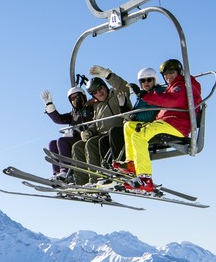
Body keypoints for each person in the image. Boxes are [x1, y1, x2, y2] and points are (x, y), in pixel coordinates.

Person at [116, 58, 203, 192]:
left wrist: (144, 95)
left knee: (139, 136)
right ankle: (131, 163)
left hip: (177, 125)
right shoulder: (173, 87)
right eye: (165, 74)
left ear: (179, 72)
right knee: (129, 126)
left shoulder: (183, 86)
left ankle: (145, 178)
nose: (168, 76)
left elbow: (170, 101)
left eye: (171, 72)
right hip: (167, 122)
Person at [69, 65, 131, 185]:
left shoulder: (116, 95)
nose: (99, 93)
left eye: (100, 88)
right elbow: (96, 124)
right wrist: (89, 132)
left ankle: (95, 179)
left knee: (92, 144)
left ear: (105, 86)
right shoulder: (97, 106)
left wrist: (107, 74)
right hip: (102, 135)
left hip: (117, 133)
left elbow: (122, 85)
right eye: (95, 92)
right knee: (78, 146)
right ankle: (82, 182)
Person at [40, 87, 94, 180]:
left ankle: (65, 170)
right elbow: (59, 119)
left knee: (62, 141)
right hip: (76, 138)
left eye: (77, 97)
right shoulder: (74, 114)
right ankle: (57, 172)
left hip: (87, 138)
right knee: (52, 143)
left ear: (82, 97)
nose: (74, 100)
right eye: (72, 99)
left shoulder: (91, 108)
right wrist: (49, 105)